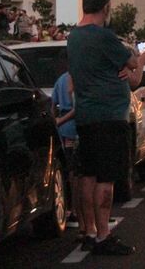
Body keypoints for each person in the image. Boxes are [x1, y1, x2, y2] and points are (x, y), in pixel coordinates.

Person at [67, 0, 145, 256]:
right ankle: (104, 234)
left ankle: (89, 231)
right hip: (109, 116)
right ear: (105, 6)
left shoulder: (74, 37)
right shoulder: (103, 37)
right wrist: (141, 56)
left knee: (88, 176)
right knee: (106, 179)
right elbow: (133, 66)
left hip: (86, 116)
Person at [51, 67, 85, 240]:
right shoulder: (80, 78)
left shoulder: (61, 79)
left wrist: (55, 122)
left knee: (69, 170)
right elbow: (78, 108)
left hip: (63, 130)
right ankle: (76, 211)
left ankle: (71, 208)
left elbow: (52, 104)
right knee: (76, 172)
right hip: (74, 128)